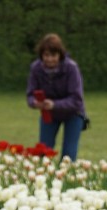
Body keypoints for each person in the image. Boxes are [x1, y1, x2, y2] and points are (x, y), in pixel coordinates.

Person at [26, 33, 87, 162]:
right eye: (46, 55)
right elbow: (30, 95)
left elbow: (76, 100)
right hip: (49, 114)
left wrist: (55, 104)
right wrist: (35, 102)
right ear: (41, 55)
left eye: (53, 55)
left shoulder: (71, 68)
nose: (49, 59)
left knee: (68, 155)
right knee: (43, 152)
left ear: (60, 55)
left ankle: (66, 180)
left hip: (73, 114)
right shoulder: (36, 68)